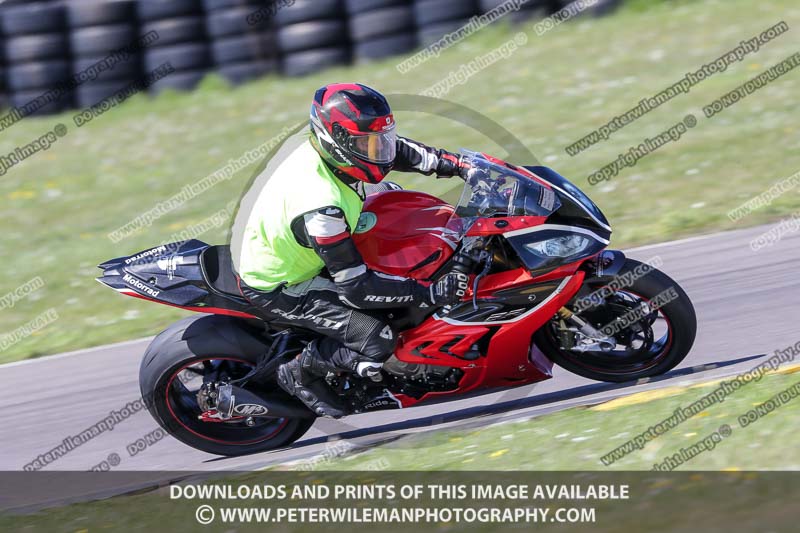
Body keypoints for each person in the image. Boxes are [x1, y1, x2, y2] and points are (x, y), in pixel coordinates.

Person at [237, 83, 470, 418]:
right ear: (339, 141)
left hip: (307, 241)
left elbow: (395, 151)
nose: (380, 152)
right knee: (379, 337)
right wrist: (430, 292)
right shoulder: (321, 208)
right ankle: (299, 371)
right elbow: (357, 289)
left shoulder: (328, 152)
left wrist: (459, 165)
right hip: (283, 285)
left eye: (380, 140)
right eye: (368, 144)